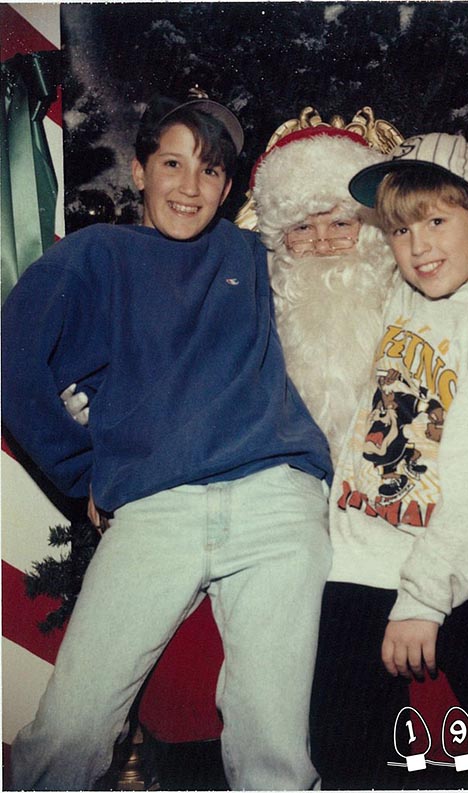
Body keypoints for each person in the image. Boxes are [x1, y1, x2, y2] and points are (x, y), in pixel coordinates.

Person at [60, 122, 468, 787]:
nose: (324, 244)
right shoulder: (267, 309)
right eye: (301, 230)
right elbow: (169, 363)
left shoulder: (428, 297)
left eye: (339, 223)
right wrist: (102, 433)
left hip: (461, 554)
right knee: (338, 745)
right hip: (342, 543)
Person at [1, 94, 333, 791]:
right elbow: (14, 360)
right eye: (173, 164)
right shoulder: (98, 256)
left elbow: (350, 291)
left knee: (274, 746)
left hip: (276, 502)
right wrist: (78, 469)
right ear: (139, 168)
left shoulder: (253, 253)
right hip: (157, 508)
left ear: (228, 185)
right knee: (68, 729)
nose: (189, 187)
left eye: (209, 172)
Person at [311, 132, 468, 789]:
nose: (418, 246)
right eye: (399, 230)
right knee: (342, 753)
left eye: (435, 220)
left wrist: (423, 600)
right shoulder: (407, 294)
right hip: (363, 559)